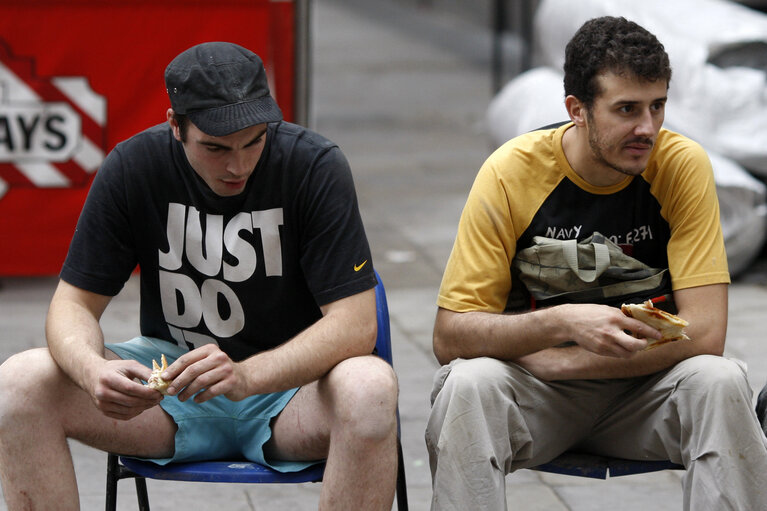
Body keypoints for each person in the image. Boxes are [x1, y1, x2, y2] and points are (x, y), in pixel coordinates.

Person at [0, 42, 399, 510]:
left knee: (370, 388)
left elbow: (355, 323)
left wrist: (248, 375)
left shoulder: (314, 165)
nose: (239, 165)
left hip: (292, 390)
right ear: (175, 126)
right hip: (171, 388)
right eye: (215, 147)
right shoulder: (134, 166)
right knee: (18, 383)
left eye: (254, 141)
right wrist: (93, 371)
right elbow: (73, 305)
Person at [425, 16, 767, 511]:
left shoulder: (682, 165)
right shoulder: (511, 171)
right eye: (626, 109)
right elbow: (450, 336)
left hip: (645, 392)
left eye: (658, 106)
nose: (647, 128)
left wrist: (567, 359)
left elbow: (707, 332)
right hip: (538, 394)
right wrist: (561, 323)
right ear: (577, 110)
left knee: (722, 381)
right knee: (466, 387)